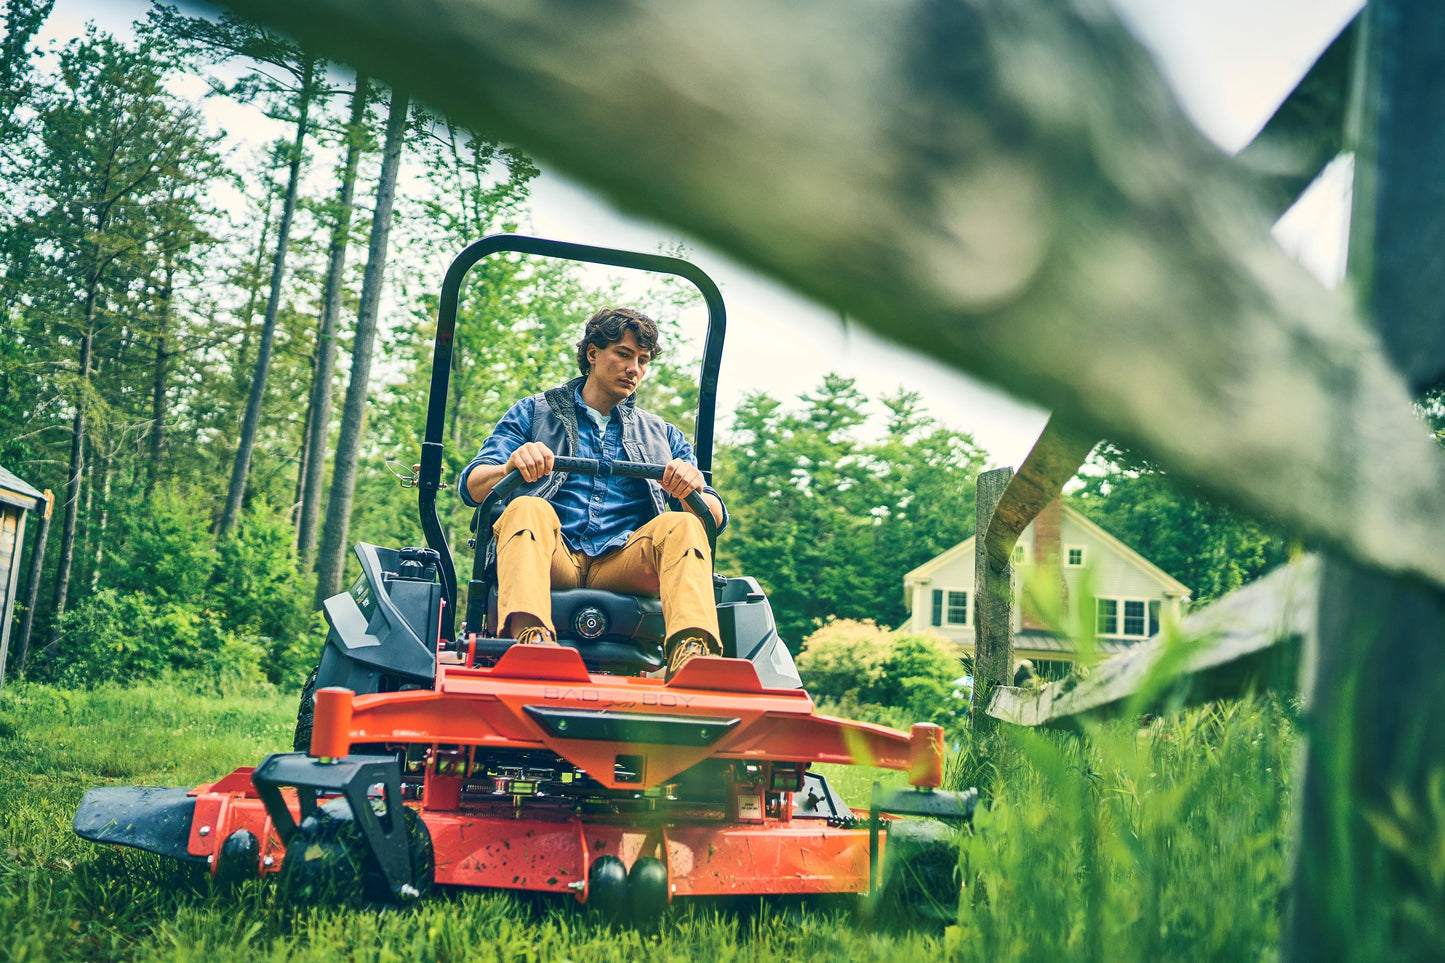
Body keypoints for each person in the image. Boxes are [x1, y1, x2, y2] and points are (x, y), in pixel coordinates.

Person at [459, 306, 727, 680]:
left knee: (682, 523)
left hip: (624, 564)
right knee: (525, 508)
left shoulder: (662, 435)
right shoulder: (533, 413)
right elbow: (473, 486)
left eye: (643, 360)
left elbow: (713, 515)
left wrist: (691, 488)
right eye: (623, 354)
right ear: (592, 353)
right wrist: (509, 467)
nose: (634, 368)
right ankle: (531, 642)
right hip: (554, 557)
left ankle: (692, 653)